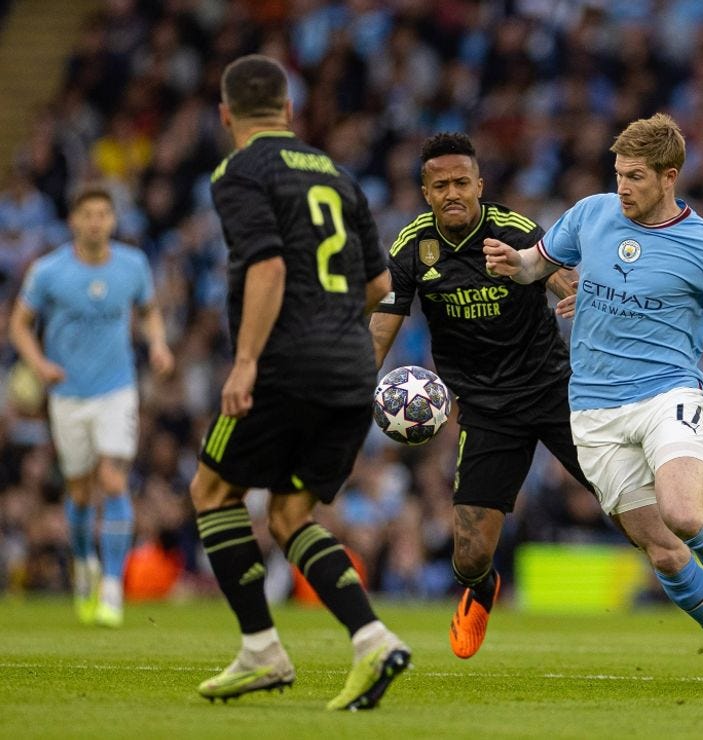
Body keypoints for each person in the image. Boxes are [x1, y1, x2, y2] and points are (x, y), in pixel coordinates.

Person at [485, 113, 703, 693]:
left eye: (635, 177)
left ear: (668, 176)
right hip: (593, 410)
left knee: (684, 514)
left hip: (666, 394)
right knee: (664, 552)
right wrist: (515, 264)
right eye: (618, 174)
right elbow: (537, 265)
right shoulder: (592, 213)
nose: (622, 187)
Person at [189, 54, 408, 711]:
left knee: (211, 491)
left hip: (284, 366)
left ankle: (261, 648)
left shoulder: (239, 171)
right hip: (351, 368)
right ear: (289, 110)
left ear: (226, 114)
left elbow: (268, 267)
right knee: (289, 515)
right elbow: (379, 284)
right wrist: (334, 331)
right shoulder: (338, 175)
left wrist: (246, 361)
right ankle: (372, 639)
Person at [369, 132, 594, 661]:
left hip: (554, 392)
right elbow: (380, 331)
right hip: (487, 409)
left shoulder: (515, 231)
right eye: (441, 185)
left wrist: (579, 297)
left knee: (639, 517)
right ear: (426, 192)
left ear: (479, 185)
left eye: (461, 182)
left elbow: (567, 282)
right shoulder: (411, 249)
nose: (453, 192)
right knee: (468, 556)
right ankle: (483, 588)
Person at [10, 186, 174, 628]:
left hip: (117, 390)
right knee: (80, 491)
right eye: (88, 214)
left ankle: (113, 587)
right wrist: (39, 364)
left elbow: (149, 310)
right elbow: (19, 324)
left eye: (104, 214)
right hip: (68, 394)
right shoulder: (49, 271)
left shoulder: (133, 265)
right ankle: (85, 561)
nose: (97, 222)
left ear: (113, 221)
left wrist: (158, 344)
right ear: (74, 221)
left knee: (113, 480)